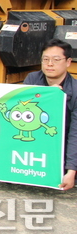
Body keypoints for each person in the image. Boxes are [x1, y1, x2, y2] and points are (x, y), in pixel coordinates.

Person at [23, 39, 77, 191]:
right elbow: (21, 113)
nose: (50, 64)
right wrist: (47, 96)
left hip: (63, 144)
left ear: (68, 62)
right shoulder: (32, 79)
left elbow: (75, 133)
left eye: (56, 60)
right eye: (45, 59)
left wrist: (71, 171)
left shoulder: (75, 89)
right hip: (35, 142)